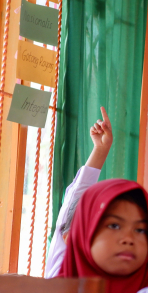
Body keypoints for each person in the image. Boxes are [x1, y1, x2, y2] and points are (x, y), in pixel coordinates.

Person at [45, 107, 112, 278]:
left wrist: (101, 149)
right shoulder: (62, 266)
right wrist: (100, 149)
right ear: (68, 237)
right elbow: (74, 201)